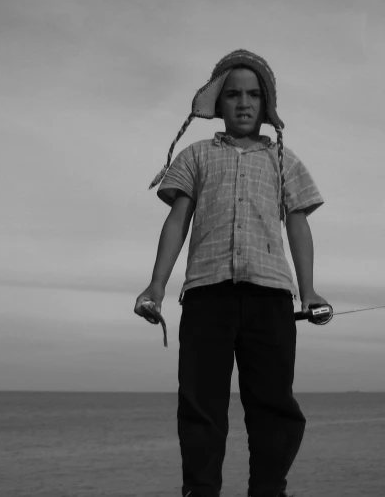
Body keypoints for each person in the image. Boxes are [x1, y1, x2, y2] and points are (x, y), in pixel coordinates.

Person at [134, 49, 328, 497]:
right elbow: (177, 222)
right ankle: (199, 491)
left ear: (267, 105)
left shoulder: (284, 160)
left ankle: (268, 490)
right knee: (201, 407)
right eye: (234, 94)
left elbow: (298, 224)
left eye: (254, 95)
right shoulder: (197, 155)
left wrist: (310, 291)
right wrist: (157, 284)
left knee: (274, 406)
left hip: (271, 298)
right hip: (206, 297)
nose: (244, 103)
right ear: (218, 104)